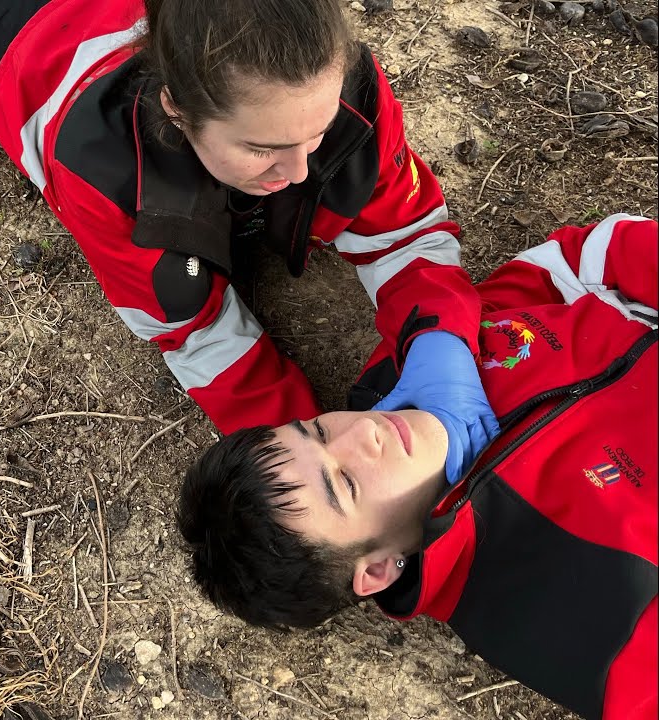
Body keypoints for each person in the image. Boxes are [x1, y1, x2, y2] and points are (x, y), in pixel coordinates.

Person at [0, 0, 498, 483]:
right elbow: (196, 334)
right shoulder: (102, 172)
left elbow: (405, 229)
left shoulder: (344, 87)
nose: (299, 172)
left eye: (319, 133)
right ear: (176, 112)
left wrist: (440, 336)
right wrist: (300, 462)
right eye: (262, 148)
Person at [177, 215, 658, 720]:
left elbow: (567, 264)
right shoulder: (593, 626)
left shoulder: (398, 372)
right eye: (345, 483)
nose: (363, 430)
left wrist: (441, 339)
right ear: (378, 569)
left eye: (317, 430)